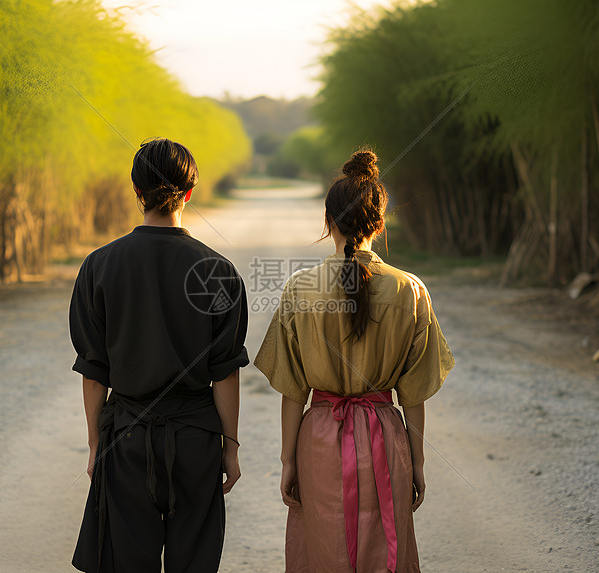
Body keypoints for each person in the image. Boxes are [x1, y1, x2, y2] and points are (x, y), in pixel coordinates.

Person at [255, 149, 454, 573]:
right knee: (385, 552)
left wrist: (288, 460)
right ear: (379, 225)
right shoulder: (410, 290)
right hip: (386, 436)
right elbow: (414, 393)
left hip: (321, 440)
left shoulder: (298, 289)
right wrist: (417, 462)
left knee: (324, 553)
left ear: (329, 223)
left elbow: (293, 391)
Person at [69, 138, 248, 572]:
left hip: (126, 439)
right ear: (189, 194)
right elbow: (224, 375)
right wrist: (229, 448)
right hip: (196, 440)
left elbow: (95, 374)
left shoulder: (99, 266)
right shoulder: (218, 271)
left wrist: (96, 444)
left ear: (137, 193)